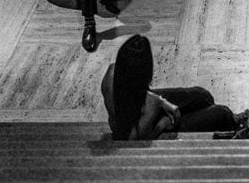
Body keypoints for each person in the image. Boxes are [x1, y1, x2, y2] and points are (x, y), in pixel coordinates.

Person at [101, 33, 238, 140]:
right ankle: (235, 124)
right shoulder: (114, 92)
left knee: (202, 95)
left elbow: (136, 92)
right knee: (221, 114)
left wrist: (161, 101)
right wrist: (162, 122)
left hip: (142, 113)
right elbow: (132, 140)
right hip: (141, 131)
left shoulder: (116, 73)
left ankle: (229, 120)